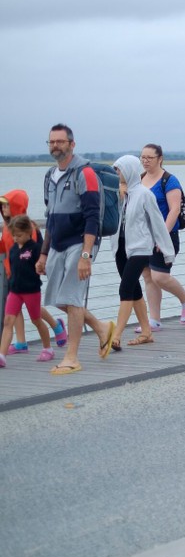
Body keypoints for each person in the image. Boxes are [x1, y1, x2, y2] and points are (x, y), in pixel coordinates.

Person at [36, 123, 115, 375]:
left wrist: (85, 255)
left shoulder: (85, 173)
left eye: (60, 141)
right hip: (57, 244)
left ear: (72, 144)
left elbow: (93, 216)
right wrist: (43, 253)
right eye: (51, 142)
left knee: (71, 297)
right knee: (60, 299)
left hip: (79, 243)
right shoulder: (50, 175)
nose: (55, 146)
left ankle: (72, 357)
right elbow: (50, 218)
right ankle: (102, 328)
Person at [107, 155, 176, 352]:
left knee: (125, 289)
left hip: (140, 248)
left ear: (129, 170)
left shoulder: (144, 194)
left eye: (118, 170)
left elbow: (157, 223)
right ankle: (146, 332)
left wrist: (166, 250)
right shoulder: (118, 194)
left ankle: (116, 335)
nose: (116, 174)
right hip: (120, 247)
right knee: (134, 290)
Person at [138, 144, 185, 332]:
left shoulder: (169, 180)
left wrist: (161, 237)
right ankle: (154, 319)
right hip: (143, 237)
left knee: (160, 276)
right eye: (143, 157)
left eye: (150, 157)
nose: (145, 161)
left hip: (165, 236)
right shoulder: (140, 179)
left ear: (160, 158)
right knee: (148, 276)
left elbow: (175, 210)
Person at [1, 190, 67, 353]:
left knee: (34, 310)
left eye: (7, 205)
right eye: (2, 206)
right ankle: (21, 342)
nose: (3, 209)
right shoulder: (7, 228)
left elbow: (35, 251)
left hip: (28, 278)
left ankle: (56, 326)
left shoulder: (29, 228)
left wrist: (38, 268)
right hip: (13, 276)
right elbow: (6, 247)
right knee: (15, 311)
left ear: (16, 206)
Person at [0, 216, 54, 368]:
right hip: (15, 291)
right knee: (8, 321)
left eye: (19, 235)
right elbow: (12, 269)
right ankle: (2, 355)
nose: (16, 238)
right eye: (14, 235)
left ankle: (47, 348)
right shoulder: (13, 250)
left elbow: (43, 267)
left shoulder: (36, 249)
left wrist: (41, 267)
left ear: (28, 232)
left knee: (36, 320)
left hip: (31, 291)